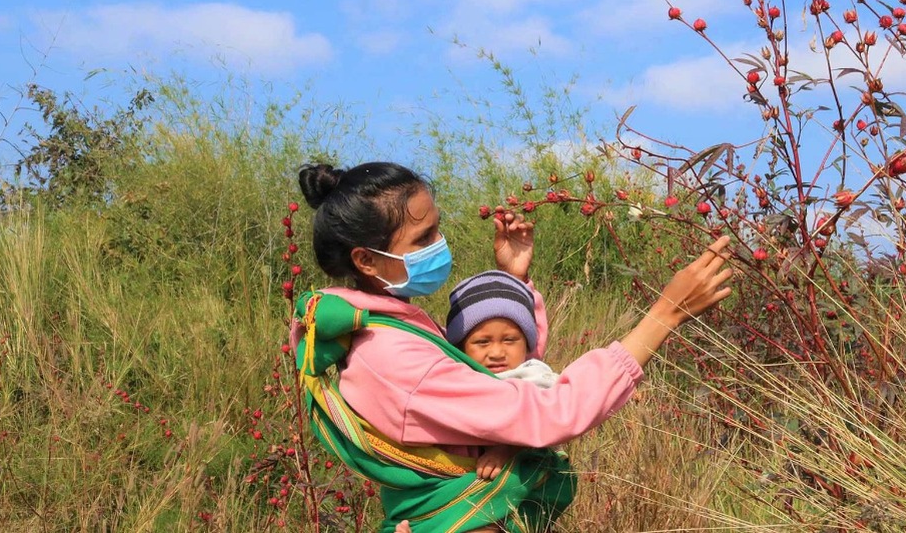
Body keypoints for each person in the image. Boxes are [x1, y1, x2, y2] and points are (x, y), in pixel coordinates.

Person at [293, 161, 732, 533]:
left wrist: (515, 284)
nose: (438, 245)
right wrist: (664, 316)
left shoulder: (388, 326)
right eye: (423, 238)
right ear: (366, 260)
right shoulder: (396, 358)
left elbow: (498, 381)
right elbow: (545, 411)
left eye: (437, 230)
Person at [445, 270, 564, 481]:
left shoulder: (532, 376)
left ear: (526, 343)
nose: (497, 353)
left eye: (509, 340)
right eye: (482, 342)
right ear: (461, 347)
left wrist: (508, 450)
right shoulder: (455, 379)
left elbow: (545, 420)